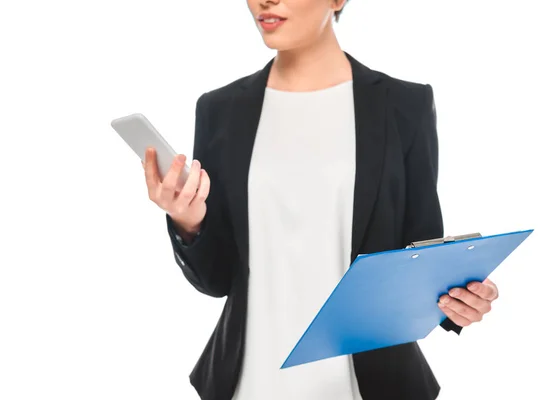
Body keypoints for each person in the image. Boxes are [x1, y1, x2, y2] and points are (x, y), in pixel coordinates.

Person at [142, 0, 500, 399]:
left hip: (367, 384)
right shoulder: (220, 110)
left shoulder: (404, 105)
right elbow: (218, 279)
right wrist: (189, 222)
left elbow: (417, 254)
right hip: (253, 382)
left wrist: (459, 301)